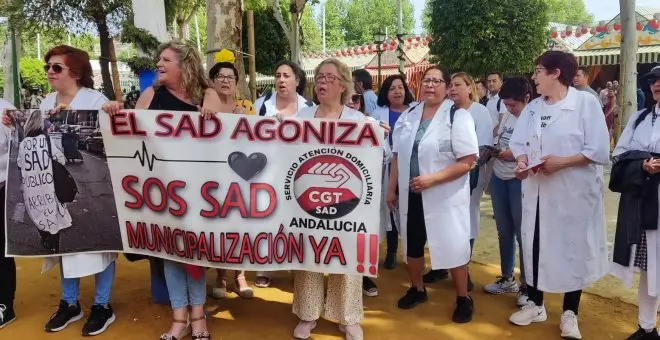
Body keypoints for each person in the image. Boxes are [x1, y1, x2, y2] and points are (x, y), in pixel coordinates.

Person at [103, 41, 222, 340]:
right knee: (169, 253)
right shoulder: (150, 94)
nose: (159, 63)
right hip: (160, 193)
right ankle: (179, 319)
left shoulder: (206, 94)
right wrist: (116, 111)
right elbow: (131, 136)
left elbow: (222, 132)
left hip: (198, 192)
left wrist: (211, 111)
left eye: (166, 59)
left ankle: (199, 318)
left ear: (184, 65)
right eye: (159, 58)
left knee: (195, 255)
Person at [1, 45, 117, 336]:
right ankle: (69, 303)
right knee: (64, 245)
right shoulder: (45, 102)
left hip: (84, 184)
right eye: (47, 67)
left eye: (56, 67)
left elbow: (114, 135)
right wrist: (14, 123)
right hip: (50, 181)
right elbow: (32, 136)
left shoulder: (95, 99)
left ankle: (102, 305)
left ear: (75, 72)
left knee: (102, 248)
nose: (49, 72)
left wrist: (112, 111)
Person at [508, 50, 610, 339]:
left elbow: (599, 150)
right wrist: (522, 161)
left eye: (539, 70)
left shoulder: (585, 104)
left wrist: (562, 162)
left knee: (571, 249)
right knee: (536, 245)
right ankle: (537, 304)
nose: (533, 76)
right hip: (538, 192)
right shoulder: (533, 109)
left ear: (555, 74)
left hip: (573, 194)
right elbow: (519, 144)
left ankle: (570, 313)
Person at [291, 58, 389, 340]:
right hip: (307, 200)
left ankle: (347, 317)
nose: (322, 81)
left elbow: (381, 157)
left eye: (330, 77)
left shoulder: (359, 122)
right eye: (319, 76)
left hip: (348, 202)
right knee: (309, 254)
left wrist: (379, 136)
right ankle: (307, 314)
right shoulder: (302, 119)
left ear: (344, 85)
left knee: (346, 256)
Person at [388, 65, 478, 323]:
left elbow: (468, 161)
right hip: (411, 194)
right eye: (426, 80)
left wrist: (432, 179)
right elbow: (396, 155)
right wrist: (392, 188)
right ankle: (418, 289)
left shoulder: (458, 117)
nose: (430, 85)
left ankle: (463, 297)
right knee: (413, 247)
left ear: (447, 86)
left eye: (437, 81)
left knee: (452, 245)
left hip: (444, 195)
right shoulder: (410, 115)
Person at [610, 65, 660, 340]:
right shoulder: (639, 118)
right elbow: (619, 153)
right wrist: (643, 163)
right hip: (643, 200)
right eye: (654, 80)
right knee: (651, 268)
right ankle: (647, 327)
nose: (657, 84)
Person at [435, 72, 494, 291]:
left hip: (470, 175)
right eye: (450, 85)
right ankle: (442, 266)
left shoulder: (480, 112)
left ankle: (464, 269)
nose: (452, 89)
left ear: (470, 88)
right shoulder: (444, 112)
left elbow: (485, 148)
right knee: (443, 219)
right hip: (444, 176)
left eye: (458, 85)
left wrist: (467, 171)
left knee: (465, 221)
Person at [483, 76, 533, 306]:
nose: (509, 108)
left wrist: (511, 154)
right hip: (500, 177)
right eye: (506, 104)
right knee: (504, 231)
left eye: (513, 104)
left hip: (520, 179)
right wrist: (494, 150)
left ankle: (527, 285)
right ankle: (507, 277)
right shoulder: (507, 116)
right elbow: (499, 136)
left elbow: (536, 149)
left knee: (523, 234)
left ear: (526, 98)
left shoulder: (533, 119)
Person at [208, 60, 256, 299]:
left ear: (237, 83)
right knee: (220, 229)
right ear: (212, 81)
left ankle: (240, 275)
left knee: (241, 230)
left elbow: (260, 139)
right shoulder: (204, 109)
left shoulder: (247, 107)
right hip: (214, 179)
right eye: (221, 76)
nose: (226, 80)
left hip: (242, 178)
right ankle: (220, 276)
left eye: (230, 77)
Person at [371, 74, 416, 270]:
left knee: (412, 210)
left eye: (400, 87)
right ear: (385, 93)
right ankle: (391, 251)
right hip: (387, 168)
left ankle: (412, 253)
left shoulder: (416, 111)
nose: (397, 91)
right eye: (392, 88)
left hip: (411, 168)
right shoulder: (378, 114)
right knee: (389, 207)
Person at [0, 98, 16, 330]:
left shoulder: (5, 109)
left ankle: (5, 305)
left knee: (1, 251)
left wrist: (13, 128)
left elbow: (20, 146)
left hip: (1, 188)